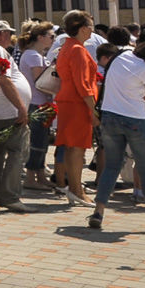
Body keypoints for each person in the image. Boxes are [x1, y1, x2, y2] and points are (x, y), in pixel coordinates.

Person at [89, 34, 145, 234]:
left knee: (111, 167)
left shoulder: (121, 55)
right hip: (135, 120)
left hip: (110, 117)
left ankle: (98, 212)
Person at [53, 11, 101, 207]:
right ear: (82, 28)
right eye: (90, 27)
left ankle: (75, 189)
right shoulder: (78, 49)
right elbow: (83, 84)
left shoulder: (67, 46)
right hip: (77, 104)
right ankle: (76, 190)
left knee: (72, 148)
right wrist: (94, 111)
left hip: (69, 102)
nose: (92, 31)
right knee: (77, 149)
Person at [0, 21, 32, 213]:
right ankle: (10, 196)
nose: (11, 37)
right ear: (2, 33)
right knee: (18, 151)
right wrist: (21, 107)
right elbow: (4, 80)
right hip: (8, 112)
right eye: (9, 33)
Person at [16, 23, 56, 189]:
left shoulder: (34, 54)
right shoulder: (34, 56)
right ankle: (31, 177)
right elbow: (40, 82)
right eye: (51, 36)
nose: (53, 40)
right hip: (38, 101)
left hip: (40, 101)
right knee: (38, 141)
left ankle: (39, 175)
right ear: (40, 37)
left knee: (42, 140)